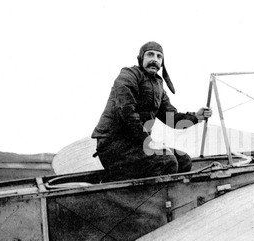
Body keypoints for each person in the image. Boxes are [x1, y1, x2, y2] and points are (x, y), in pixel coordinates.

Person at [91, 41, 212, 181]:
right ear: (141, 57)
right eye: (150, 54)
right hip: (113, 146)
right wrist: (147, 141)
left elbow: (171, 118)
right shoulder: (128, 75)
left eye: (159, 57)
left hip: (136, 145)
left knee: (184, 161)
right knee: (167, 162)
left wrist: (196, 117)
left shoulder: (158, 86)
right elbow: (126, 112)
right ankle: (116, 182)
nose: (155, 59)